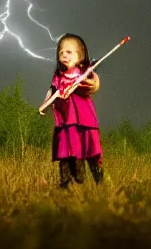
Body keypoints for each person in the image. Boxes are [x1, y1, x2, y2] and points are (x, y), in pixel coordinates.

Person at [40, 33, 104, 189]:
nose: (63, 55)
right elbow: (52, 91)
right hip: (66, 123)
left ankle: (100, 183)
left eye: (69, 52)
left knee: (91, 151)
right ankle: (68, 183)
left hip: (85, 122)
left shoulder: (83, 73)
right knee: (67, 151)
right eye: (61, 52)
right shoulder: (59, 77)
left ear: (80, 56)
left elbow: (94, 82)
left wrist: (93, 84)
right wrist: (45, 103)